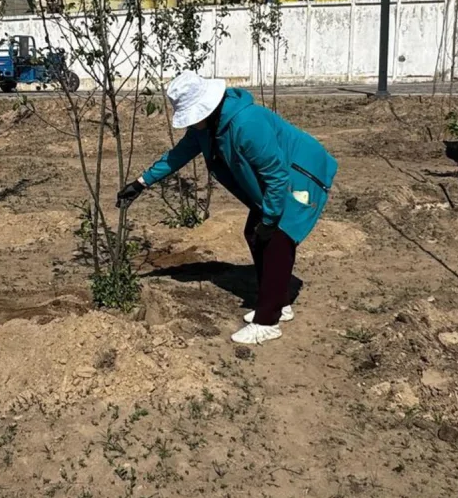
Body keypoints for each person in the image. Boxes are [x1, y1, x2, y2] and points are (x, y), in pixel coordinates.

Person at [116, 72, 338, 345]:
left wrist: (269, 219)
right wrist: (140, 184)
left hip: (300, 176)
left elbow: (276, 175)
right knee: (255, 233)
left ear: (206, 108)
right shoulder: (206, 128)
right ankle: (278, 300)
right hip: (279, 178)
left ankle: (267, 322)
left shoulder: (247, 124)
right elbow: (177, 156)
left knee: (278, 238)